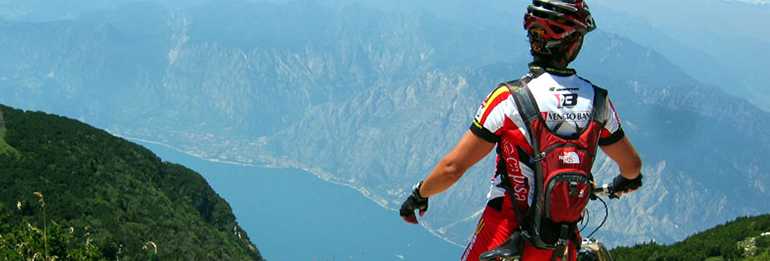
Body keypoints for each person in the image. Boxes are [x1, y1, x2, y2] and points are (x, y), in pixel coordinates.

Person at [398, 1, 643, 261]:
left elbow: (452, 168)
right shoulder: (598, 102)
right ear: (571, 44)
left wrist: (419, 195)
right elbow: (632, 165)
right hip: (557, 244)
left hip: (502, 233)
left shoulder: (509, 98)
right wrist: (623, 180)